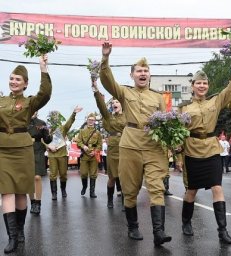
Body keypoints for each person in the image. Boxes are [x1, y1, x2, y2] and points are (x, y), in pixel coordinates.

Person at [100, 41, 172, 246]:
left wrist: (171, 142)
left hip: (153, 145)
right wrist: (105, 58)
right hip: (130, 143)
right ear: (132, 75)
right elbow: (107, 81)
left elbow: (165, 121)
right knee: (130, 189)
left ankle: (159, 232)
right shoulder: (124, 92)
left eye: (146, 71)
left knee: (156, 187)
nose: (143, 73)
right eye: (139, 71)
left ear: (149, 75)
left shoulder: (158, 98)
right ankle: (133, 227)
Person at [177, 52, 231, 245]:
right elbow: (177, 133)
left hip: (211, 149)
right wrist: (178, 155)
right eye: (198, 83)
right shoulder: (183, 109)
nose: (202, 86)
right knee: (191, 191)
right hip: (192, 150)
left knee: (217, 187)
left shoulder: (215, 100)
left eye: (205, 83)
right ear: (192, 86)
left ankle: (222, 230)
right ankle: (186, 222)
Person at [0, 55, 52, 254]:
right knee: (6, 191)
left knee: (21, 192)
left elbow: (45, 94)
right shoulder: (1, 100)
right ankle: (12, 237)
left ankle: (20, 231)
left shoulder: (30, 102)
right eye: (12, 78)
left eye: (18, 79)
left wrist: (43, 69)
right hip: (3, 148)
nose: (14, 82)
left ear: (25, 84)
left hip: (22, 149)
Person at [92, 80, 126, 208]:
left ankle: (124, 202)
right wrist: (96, 90)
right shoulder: (109, 117)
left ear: (121, 104)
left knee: (123, 177)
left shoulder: (127, 116)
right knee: (112, 177)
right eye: (112, 103)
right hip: (112, 149)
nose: (114, 104)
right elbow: (101, 106)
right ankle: (110, 200)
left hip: (124, 147)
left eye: (116, 102)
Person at [46, 106, 83, 200]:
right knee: (53, 174)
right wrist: (47, 146)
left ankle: (63, 190)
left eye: (57, 116)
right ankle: (54, 193)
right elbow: (43, 140)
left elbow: (70, 122)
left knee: (63, 174)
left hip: (62, 154)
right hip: (52, 155)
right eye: (53, 116)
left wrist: (74, 113)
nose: (55, 118)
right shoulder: (47, 130)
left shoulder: (62, 128)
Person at [28, 112, 52, 216]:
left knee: (37, 177)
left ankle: (38, 203)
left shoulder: (42, 123)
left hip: (38, 150)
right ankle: (32, 202)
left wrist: (48, 133)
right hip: (25, 149)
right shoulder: (22, 121)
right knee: (29, 178)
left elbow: (47, 139)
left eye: (36, 109)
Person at [76, 113, 102, 198]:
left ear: (94, 121)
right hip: (85, 155)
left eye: (92, 120)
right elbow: (78, 141)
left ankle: (92, 192)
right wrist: (83, 146)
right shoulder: (82, 131)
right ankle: (84, 186)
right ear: (87, 120)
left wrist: (95, 151)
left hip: (93, 155)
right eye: (89, 120)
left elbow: (99, 145)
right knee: (83, 173)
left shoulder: (98, 133)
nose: (91, 121)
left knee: (93, 174)